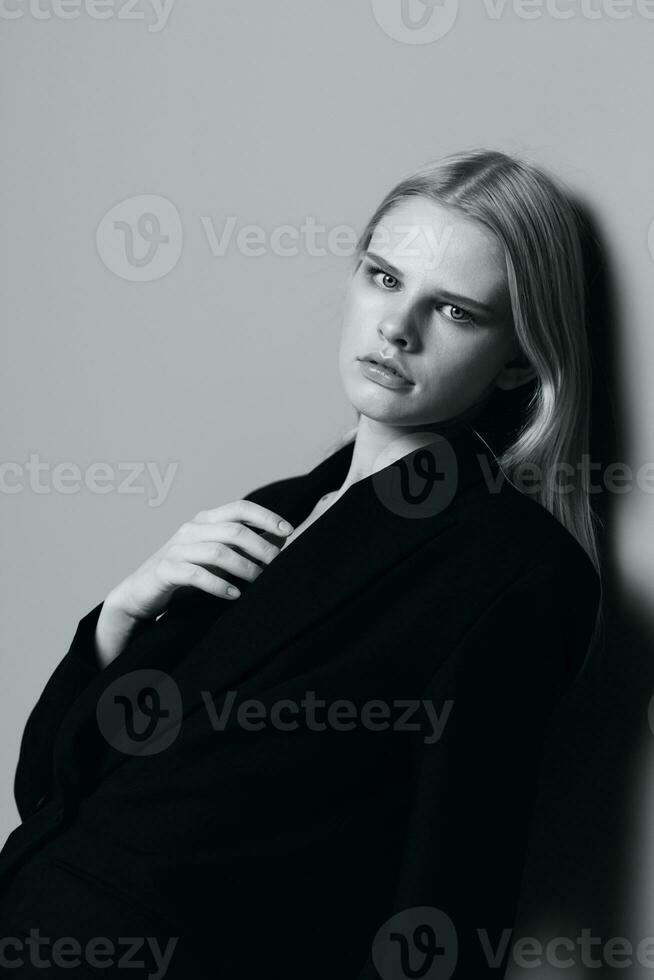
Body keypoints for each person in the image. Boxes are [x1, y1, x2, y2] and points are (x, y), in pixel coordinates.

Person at [0, 149, 603, 978]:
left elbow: (450, 900)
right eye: (384, 279)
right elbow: (50, 789)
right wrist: (123, 614)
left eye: (456, 311)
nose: (397, 328)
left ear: (518, 361)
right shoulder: (278, 506)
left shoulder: (515, 568)